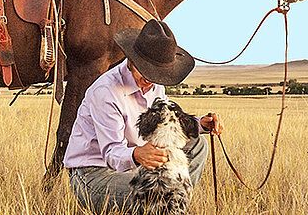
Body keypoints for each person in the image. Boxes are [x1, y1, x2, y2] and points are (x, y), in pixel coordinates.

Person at [63, 20, 223, 213]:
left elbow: (165, 123)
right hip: (94, 173)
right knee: (156, 194)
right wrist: (136, 154)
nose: (150, 81)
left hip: (137, 164)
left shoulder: (155, 84)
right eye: (146, 71)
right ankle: (168, 202)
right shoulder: (106, 91)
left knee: (198, 145)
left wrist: (201, 125)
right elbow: (111, 153)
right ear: (131, 59)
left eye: (156, 74)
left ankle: (176, 202)